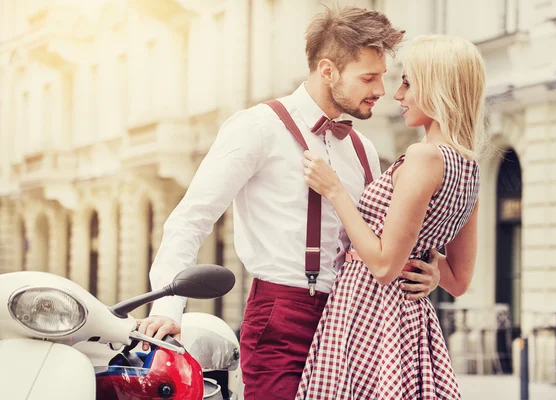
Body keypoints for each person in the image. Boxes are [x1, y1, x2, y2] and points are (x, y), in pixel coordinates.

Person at [138, 7, 441, 400]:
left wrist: (427, 272)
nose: (381, 90)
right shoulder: (257, 127)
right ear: (328, 70)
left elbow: (375, 240)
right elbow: (191, 218)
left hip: (354, 317)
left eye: (382, 76)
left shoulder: (363, 150)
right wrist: (167, 307)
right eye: (368, 77)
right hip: (282, 317)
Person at [297, 34, 486, 400]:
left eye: (407, 82)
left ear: (436, 87)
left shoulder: (424, 157)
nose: (397, 94)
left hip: (369, 310)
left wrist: (334, 191)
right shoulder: (470, 166)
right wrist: (427, 267)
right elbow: (459, 280)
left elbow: (383, 265)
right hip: (409, 318)